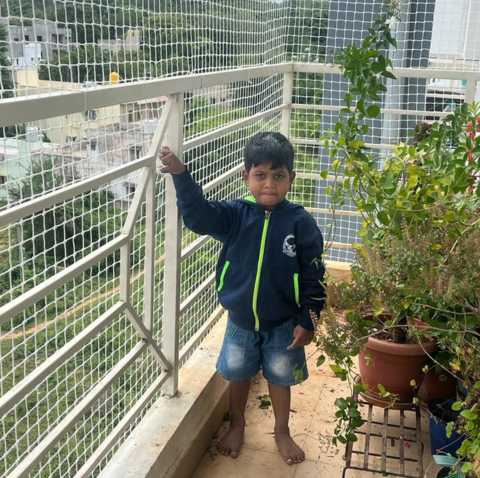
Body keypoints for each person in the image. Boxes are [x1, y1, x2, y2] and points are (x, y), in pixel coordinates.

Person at [159, 132, 326, 465]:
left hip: (284, 324)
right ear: (246, 177)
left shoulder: (300, 223)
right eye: (260, 175)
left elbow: (314, 276)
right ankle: (237, 425)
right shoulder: (236, 214)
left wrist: (309, 320)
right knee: (238, 374)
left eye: (278, 176)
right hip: (239, 322)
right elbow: (198, 216)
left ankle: (281, 431)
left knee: (280, 378)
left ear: (291, 178)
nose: (269, 184)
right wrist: (180, 174)